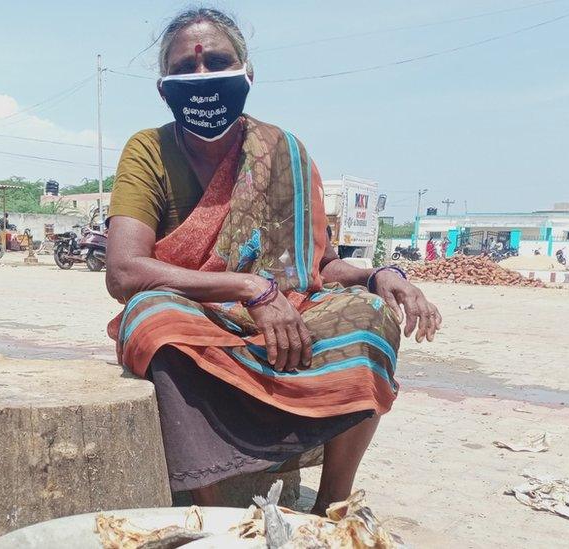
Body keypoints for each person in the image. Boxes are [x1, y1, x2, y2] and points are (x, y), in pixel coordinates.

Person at [105, 8, 442, 513]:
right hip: (199, 313)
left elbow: (317, 265)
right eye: (187, 68)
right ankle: (212, 507)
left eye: (217, 62)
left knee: (368, 317)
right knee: (154, 317)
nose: (203, 77)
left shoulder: (283, 151)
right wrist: (250, 289)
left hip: (285, 315)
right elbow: (125, 271)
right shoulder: (149, 150)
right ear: (163, 87)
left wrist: (378, 275)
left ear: (247, 75)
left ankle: (331, 504)